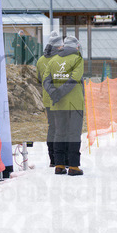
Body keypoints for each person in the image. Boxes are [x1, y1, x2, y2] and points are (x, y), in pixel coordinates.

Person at [43, 36, 85, 176]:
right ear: (76, 47)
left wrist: (54, 94)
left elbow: (46, 81)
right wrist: (60, 93)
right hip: (75, 103)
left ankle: (59, 165)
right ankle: (73, 166)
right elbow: (74, 79)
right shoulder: (77, 59)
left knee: (59, 133)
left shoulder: (53, 60)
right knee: (74, 133)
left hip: (58, 104)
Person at [36, 31, 63, 167]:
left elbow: (39, 79)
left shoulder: (41, 60)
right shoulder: (61, 59)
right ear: (58, 46)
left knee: (52, 127)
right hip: (61, 99)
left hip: (47, 99)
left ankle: (52, 159)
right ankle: (60, 159)